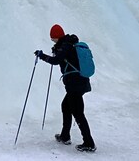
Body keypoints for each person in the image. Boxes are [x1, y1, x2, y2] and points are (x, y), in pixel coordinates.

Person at [35, 23, 96, 152]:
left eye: (53, 37)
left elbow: (56, 61)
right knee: (66, 106)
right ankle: (65, 136)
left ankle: (89, 143)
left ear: (57, 36)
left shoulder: (65, 46)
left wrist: (42, 56)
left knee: (78, 113)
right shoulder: (68, 44)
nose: (52, 40)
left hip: (75, 84)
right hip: (79, 82)